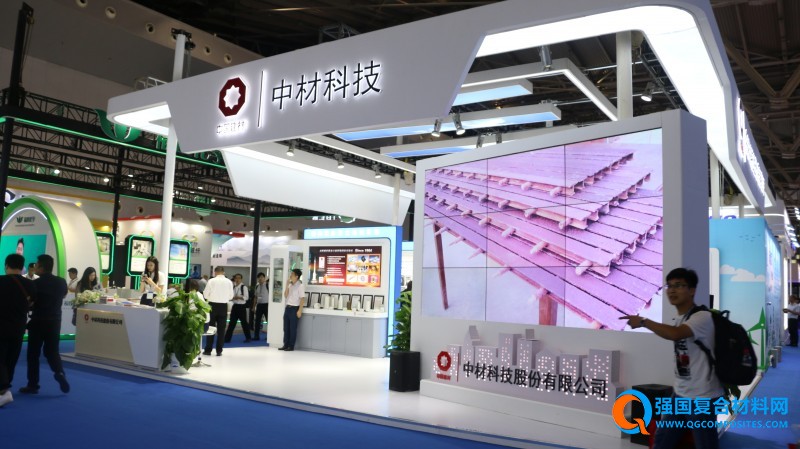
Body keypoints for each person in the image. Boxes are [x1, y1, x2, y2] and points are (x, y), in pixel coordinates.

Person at [621, 268, 722, 449]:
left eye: (679, 285)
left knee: (705, 444)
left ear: (692, 290)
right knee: (662, 441)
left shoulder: (702, 317)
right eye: (669, 286)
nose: (672, 290)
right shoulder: (680, 318)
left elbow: (675, 334)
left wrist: (643, 321)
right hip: (681, 393)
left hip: (702, 397)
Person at [21, 254, 70, 395]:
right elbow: (64, 295)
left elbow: (30, 302)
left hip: (38, 321)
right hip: (55, 321)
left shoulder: (35, 283)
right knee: (52, 351)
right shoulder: (61, 282)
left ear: (41, 267)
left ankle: (33, 385)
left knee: (33, 354)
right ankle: (59, 372)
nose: (35, 267)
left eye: (37, 265)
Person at [0, 254, 36, 407]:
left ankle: (4, 390)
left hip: (1, 326)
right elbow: (32, 304)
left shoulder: (1, 281)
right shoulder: (30, 284)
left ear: (6, 266)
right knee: (11, 358)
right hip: (19, 327)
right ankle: (5, 389)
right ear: (22, 267)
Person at [203, 266, 234, 356]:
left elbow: (205, 295)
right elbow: (231, 296)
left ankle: (208, 350)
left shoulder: (211, 281)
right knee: (221, 330)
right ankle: (219, 351)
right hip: (223, 306)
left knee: (210, 328)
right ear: (223, 272)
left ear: (215, 272)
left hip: (212, 306)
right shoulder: (229, 282)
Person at [280, 269, 305, 351]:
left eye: (292, 274)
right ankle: (285, 344)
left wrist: (300, 311)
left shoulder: (300, 286)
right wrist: (287, 284)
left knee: (292, 329)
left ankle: (291, 346)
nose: (290, 275)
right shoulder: (290, 285)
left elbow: (302, 299)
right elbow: (285, 295)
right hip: (287, 308)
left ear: (297, 276)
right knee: (286, 328)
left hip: (295, 309)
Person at [225, 273, 252, 343]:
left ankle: (248, 338)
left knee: (244, 323)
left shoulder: (244, 287)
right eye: (236, 278)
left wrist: (238, 297)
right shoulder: (233, 287)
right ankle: (227, 339)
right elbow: (231, 297)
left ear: (241, 279)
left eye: (239, 278)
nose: (237, 279)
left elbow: (246, 297)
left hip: (241, 307)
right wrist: (233, 298)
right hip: (235, 306)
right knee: (231, 323)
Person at [251, 272, 269, 341]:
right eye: (259, 277)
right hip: (259, 305)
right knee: (257, 321)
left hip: (266, 305)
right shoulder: (257, 286)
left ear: (264, 278)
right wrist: (253, 307)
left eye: (262, 277)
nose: (260, 279)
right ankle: (256, 336)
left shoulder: (267, 285)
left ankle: (269, 336)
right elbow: (255, 297)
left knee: (268, 321)